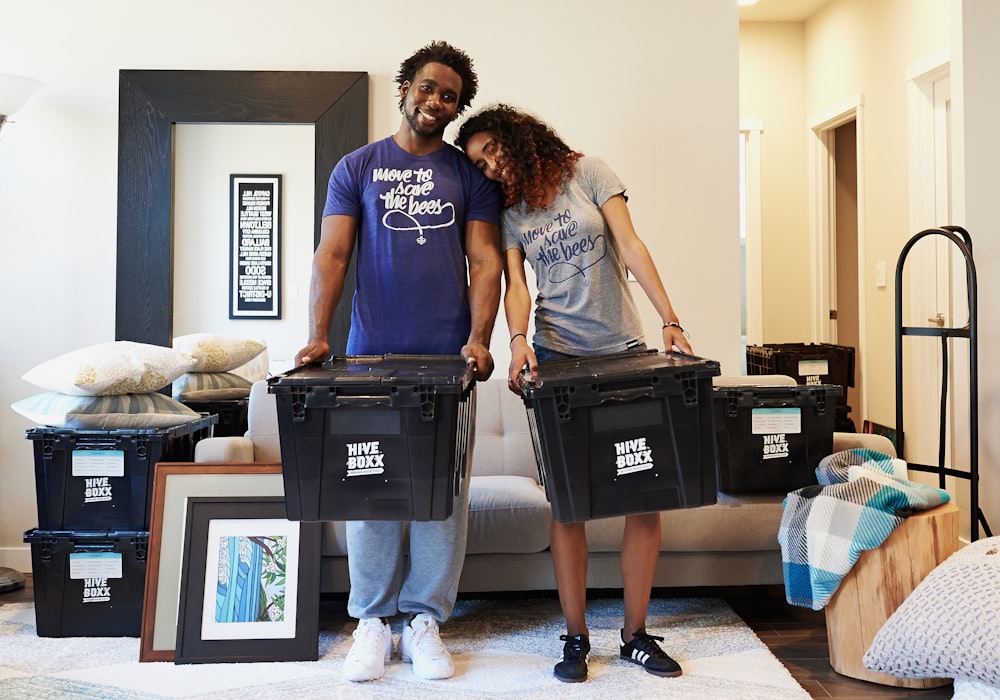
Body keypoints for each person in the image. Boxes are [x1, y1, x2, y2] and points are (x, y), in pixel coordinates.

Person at [456, 104, 693, 683]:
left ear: (517, 138)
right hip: (559, 359)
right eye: (478, 164)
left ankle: (636, 634)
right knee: (569, 503)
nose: (488, 168)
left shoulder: (590, 173)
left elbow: (632, 246)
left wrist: (671, 319)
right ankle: (577, 636)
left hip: (627, 353)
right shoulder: (510, 211)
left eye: (491, 152)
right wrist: (516, 340)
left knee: (643, 496)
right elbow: (518, 287)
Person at [296, 41, 502, 682]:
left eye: (449, 95)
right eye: (427, 87)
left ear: (455, 106)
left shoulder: (468, 176)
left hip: (446, 362)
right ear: (406, 88)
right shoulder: (356, 167)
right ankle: (372, 622)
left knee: (442, 493)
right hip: (369, 359)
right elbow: (332, 255)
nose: (435, 101)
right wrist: (319, 335)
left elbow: (487, 260)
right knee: (373, 485)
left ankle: (425, 620)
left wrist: (479, 336)